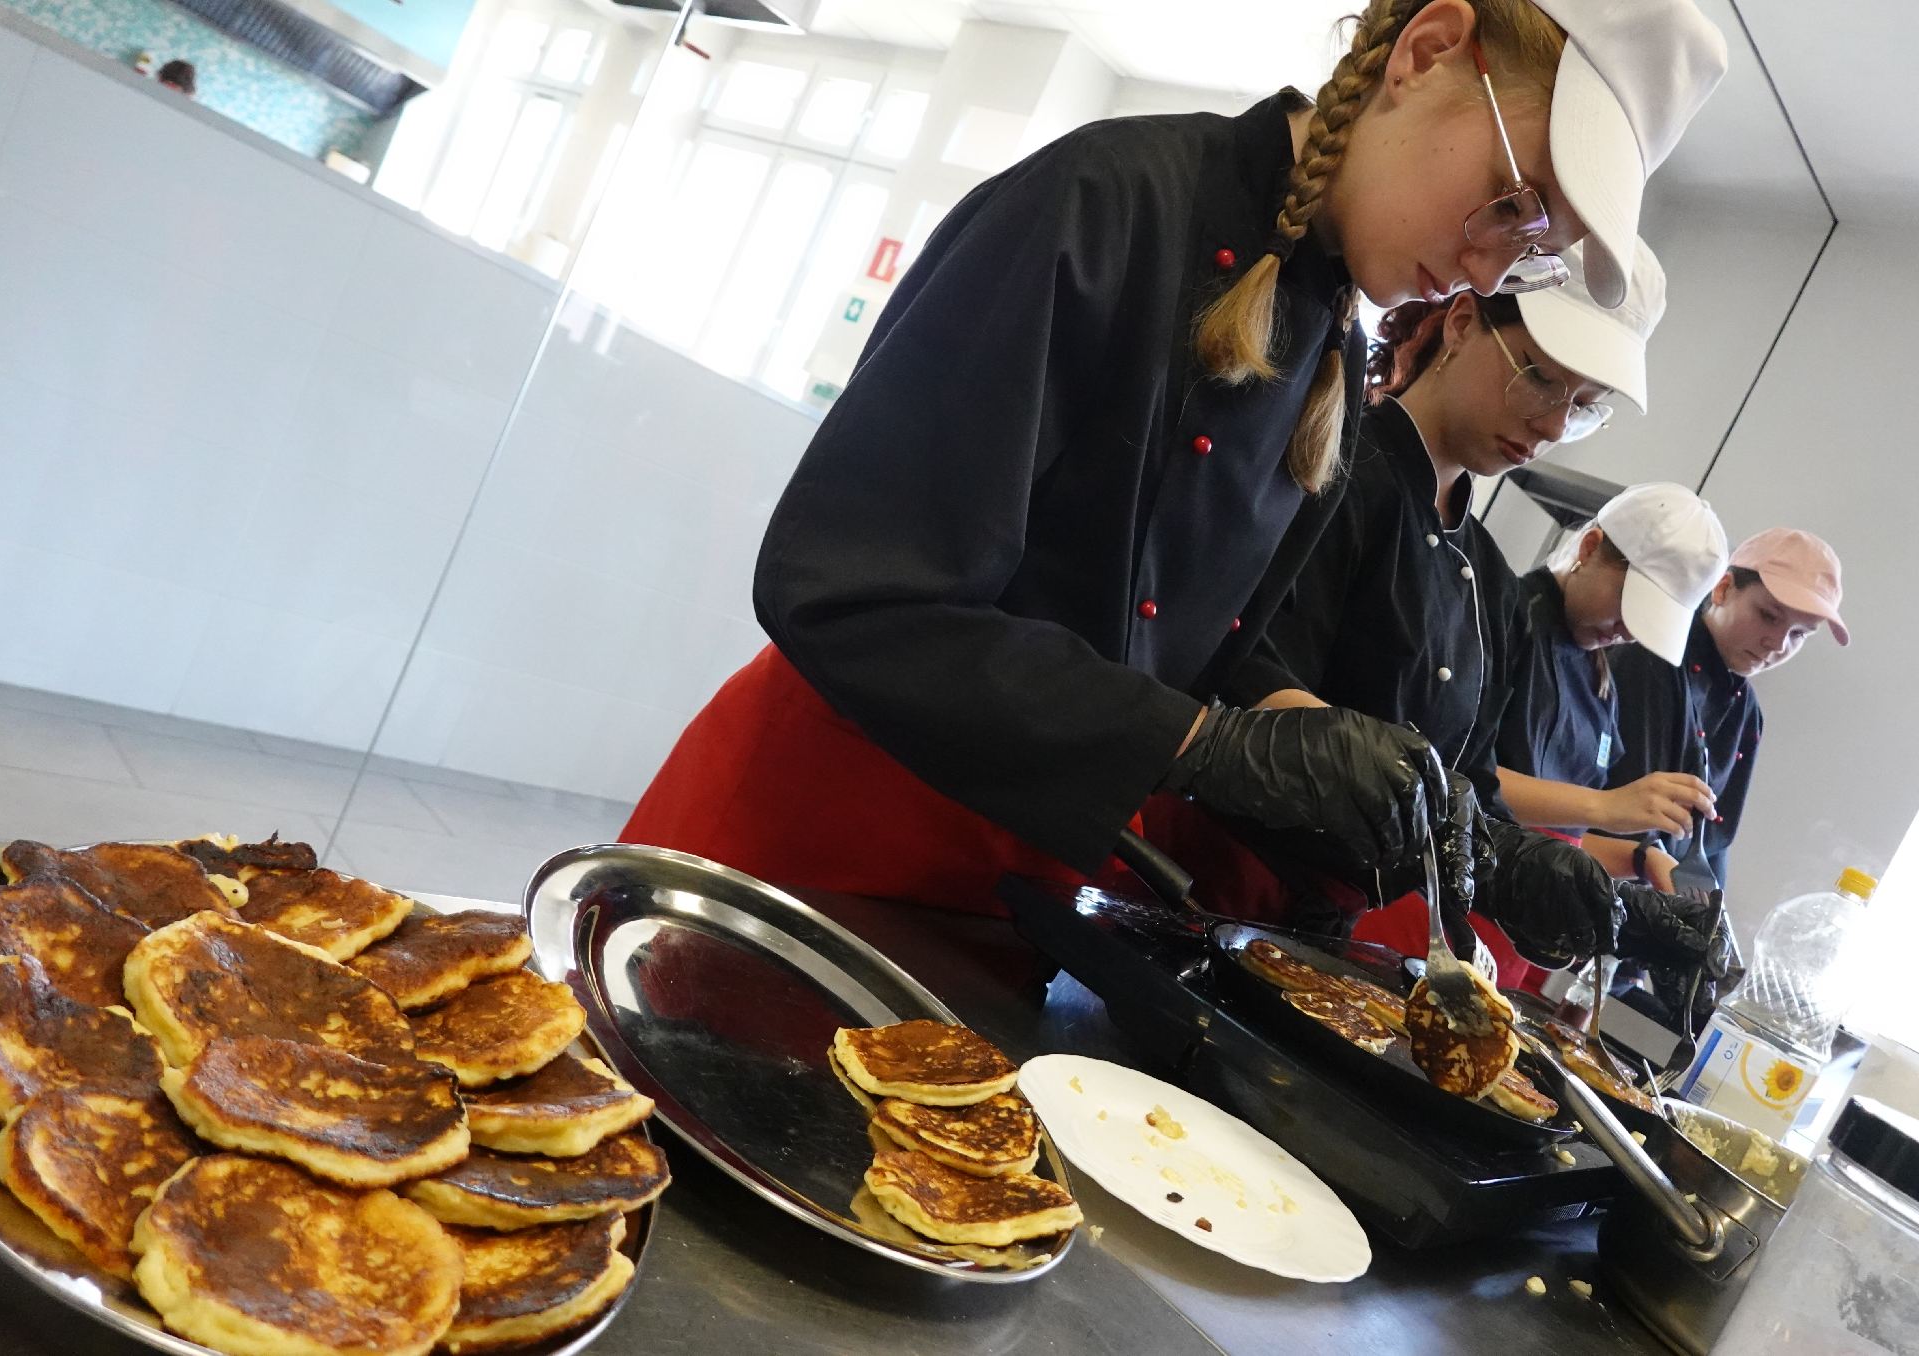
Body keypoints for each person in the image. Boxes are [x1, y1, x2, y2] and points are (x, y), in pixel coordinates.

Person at [620, 0, 1727, 932]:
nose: (1492, 261)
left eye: (1533, 248)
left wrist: (1432, 817)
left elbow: (1201, 654)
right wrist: (1203, 747)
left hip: (1014, 888)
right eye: (1514, 198)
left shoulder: (1330, 348)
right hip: (812, 837)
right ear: (1427, 48)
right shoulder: (1104, 205)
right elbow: (851, 593)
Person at [1172, 243, 1726, 981]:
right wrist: (1366, 768)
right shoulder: (1330, 466)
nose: (1556, 425)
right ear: (1462, 322)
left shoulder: (1490, 580)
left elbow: (1479, 791)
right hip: (1209, 889)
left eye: (1585, 405)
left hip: (1335, 943)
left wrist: (1589, 886)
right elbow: (1241, 670)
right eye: (1540, 377)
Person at [1600, 527, 1851, 891]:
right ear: (1723, 588)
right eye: (1768, 615)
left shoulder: (1747, 713)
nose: (1777, 644)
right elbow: (1618, 819)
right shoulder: (1649, 657)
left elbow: (1715, 844)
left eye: (1799, 635)